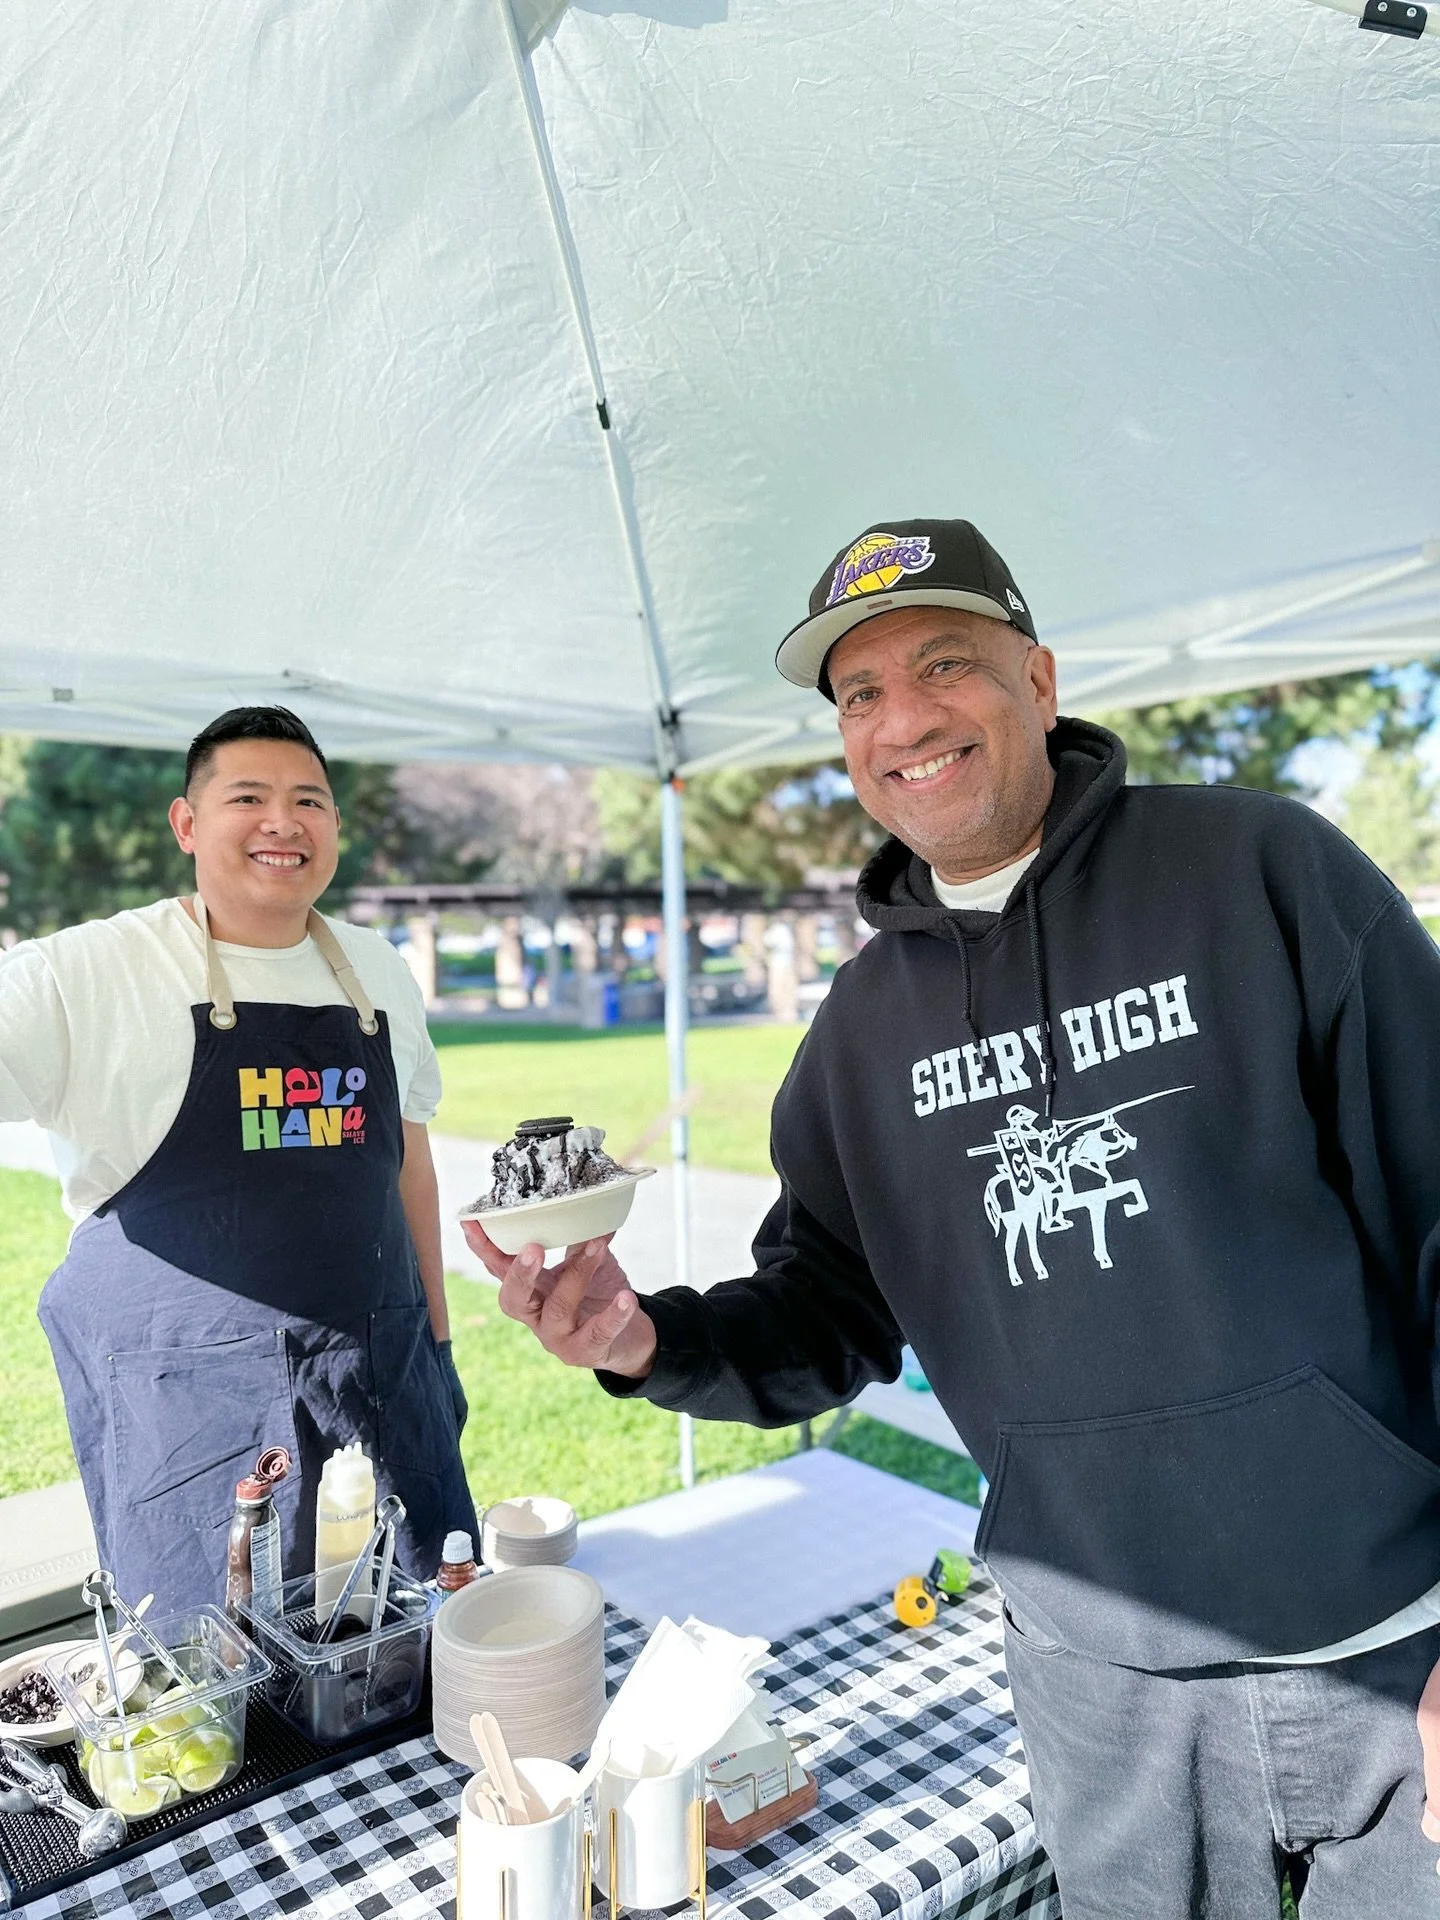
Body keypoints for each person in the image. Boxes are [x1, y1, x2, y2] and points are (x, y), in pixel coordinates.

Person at [465, 518, 1440, 1916]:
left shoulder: (1263, 872)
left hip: (1387, 1646)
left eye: (947, 665)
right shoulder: (861, 1034)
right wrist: (635, 1340)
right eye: (859, 695)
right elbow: (827, 1315)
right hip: (1096, 1682)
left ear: (1040, 681)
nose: (903, 718)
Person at [0, 705, 476, 1612]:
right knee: (216, 1686)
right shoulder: (91, 974)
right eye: (247, 796)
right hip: (194, 1415)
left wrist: (439, 1346)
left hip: (379, 1382)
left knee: (405, 1643)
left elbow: (407, 1159)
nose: (283, 822)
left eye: (311, 801)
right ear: (187, 823)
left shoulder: (376, 972)